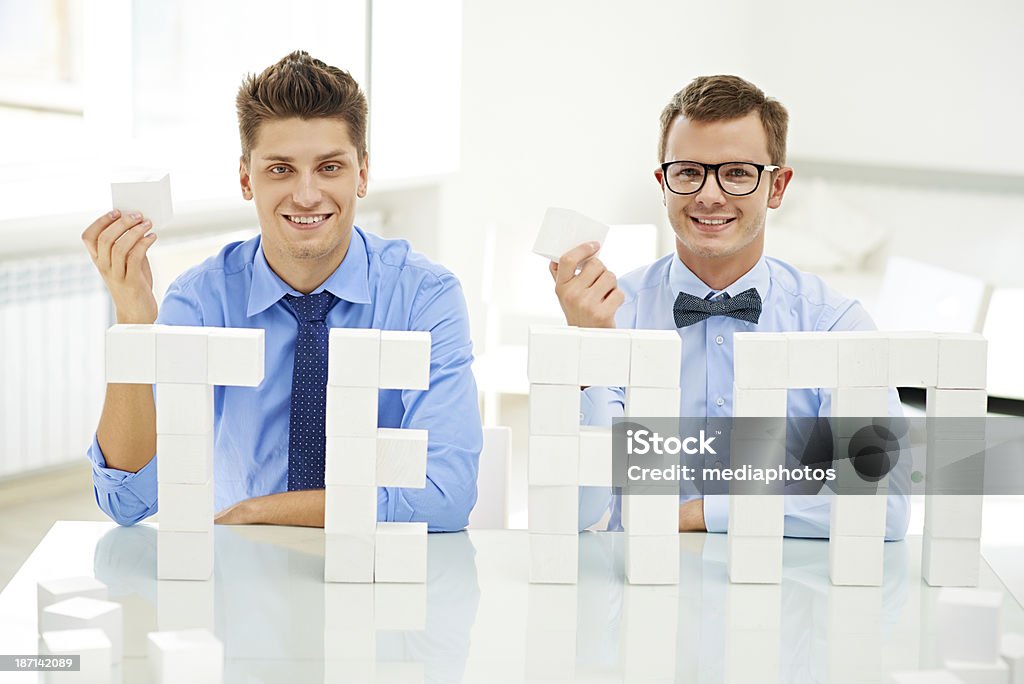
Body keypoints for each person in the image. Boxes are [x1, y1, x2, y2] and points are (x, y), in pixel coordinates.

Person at [81, 51, 481, 532]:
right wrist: (134, 323)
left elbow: (446, 497)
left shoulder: (425, 298)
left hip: (381, 569)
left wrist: (256, 512)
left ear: (364, 174)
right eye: (280, 169)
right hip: (243, 579)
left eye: (330, 167)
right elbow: (128, 502)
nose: (307, 194)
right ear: (247, 178)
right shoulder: (202, 301)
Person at [552, 75, 909, 539]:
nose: (709, 195)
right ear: (663, 184)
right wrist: (590, 352)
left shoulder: (835, 326)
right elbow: (580, 514)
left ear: (777, 187)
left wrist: (702, 515)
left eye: (737, 172)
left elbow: (884, 506)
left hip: (787, 598)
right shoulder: (611, 314)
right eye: (688, 171)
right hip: (639, 590)